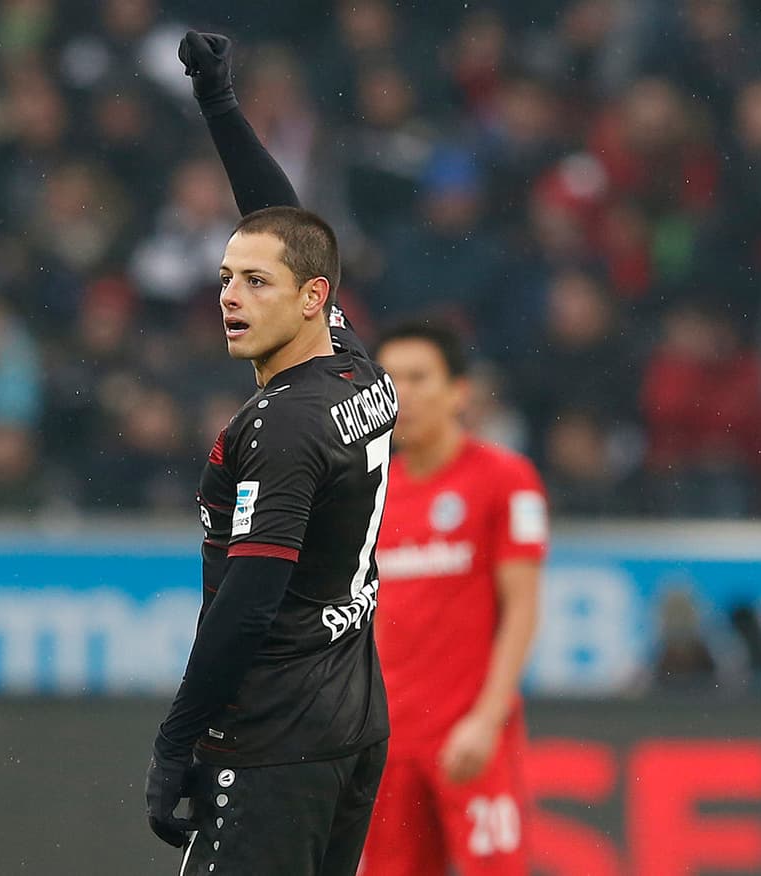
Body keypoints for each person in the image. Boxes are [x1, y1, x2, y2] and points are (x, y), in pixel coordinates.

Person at [144, 32, 395, 876]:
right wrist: (219, 104)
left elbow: (249, 604)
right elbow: (289, 232)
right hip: (352, 721)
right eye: (225, 277)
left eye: (256, 284)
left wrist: (176, 741)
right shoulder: (353, 364)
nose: (230, 297)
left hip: (274, 737)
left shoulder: (283, 427)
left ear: (312, 299)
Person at [362, 323, 547, 876]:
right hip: (388, 743)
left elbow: (523, 606)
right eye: (390, 381)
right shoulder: (367, 493)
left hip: (469, 734)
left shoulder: (505, 479)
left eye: (419, 378)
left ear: (459, 392)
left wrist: (487, 720)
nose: (404, 395)